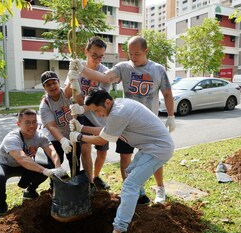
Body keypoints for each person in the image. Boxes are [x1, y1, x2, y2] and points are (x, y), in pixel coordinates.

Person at [69, 35, 175, 203]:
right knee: (125, 157)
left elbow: (168, 93)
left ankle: (160, 187)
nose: (133, 58)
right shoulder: (123, 68)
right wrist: (81, 69)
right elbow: (104, 78)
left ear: (146, 51)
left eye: (137, 54)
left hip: (148, 123)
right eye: (130, 54)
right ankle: (130, 190)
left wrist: (170, 115)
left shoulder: (158, 69)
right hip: (125, 121)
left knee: (154, 157)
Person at [69, 89, 174, 233]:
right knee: (129, 171)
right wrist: (81, 128)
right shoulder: (119, 107)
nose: (97, 115)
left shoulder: (119, 112)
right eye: (94, 112)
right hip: (150, 147)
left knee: (130, 184)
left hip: (158, 149)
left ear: (107, 102)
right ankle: (141, 198)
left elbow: (101, 140)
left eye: (97, 110)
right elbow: (106, 131)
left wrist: (79, 136)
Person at [0, 108, 66, 218]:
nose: (32, 126)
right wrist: (45, 171)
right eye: (28, 122)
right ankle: (1, 206)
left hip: (24, 166)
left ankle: (30, 190)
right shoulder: (12, 138)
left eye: (34, 122)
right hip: (4, 164)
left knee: (48, 166)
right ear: (19, 124)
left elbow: (52, 151)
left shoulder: (39, 136)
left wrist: (58, 167)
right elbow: (22, 159)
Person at [65, 36, 111, 189]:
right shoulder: (76, 68)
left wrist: (83, 106)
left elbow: (99, 103)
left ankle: (97, 176)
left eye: (100, 56)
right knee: (85, 148)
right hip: (82, 115)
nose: (97, 60)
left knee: (102, 151)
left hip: (99, 116)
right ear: (86, 51)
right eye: (94, 55)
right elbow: (72, 98)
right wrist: (73, 82)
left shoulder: (105, 73)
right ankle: (90, 182)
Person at [39, 71, 82, 178]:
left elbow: (69, 88)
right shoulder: (45, 105)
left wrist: (72, 78)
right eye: (48, 84)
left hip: (72, 133)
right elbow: (51, 126)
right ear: (44, 87)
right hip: (54, 137)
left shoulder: (67, 93)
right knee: (56, 161)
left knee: (74, 160)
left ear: (59, 82)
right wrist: (62, 140)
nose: (52, 86)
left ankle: (76, 184)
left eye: (54, 82)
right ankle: (54, 187)